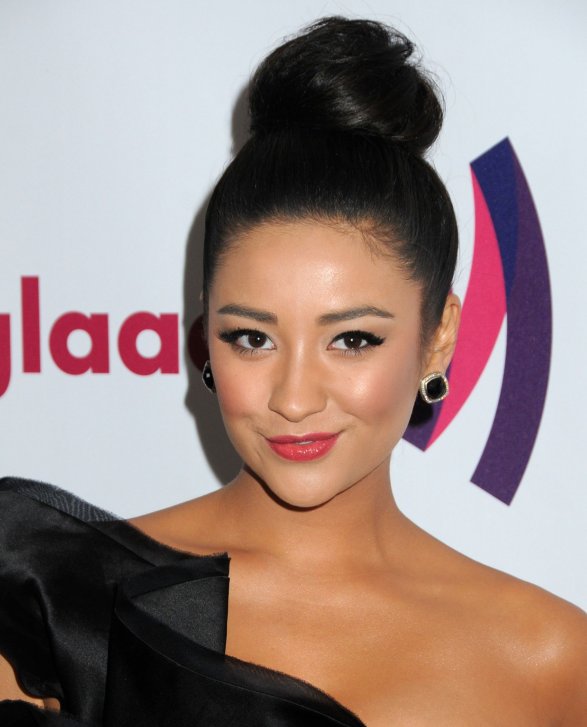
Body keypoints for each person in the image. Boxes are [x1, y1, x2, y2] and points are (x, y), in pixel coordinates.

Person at [1, 16, 585, 727]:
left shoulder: (549, 658)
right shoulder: (64, 609)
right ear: (207, 339)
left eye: (352, 339)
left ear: (438, 340)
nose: (295, 397)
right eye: (252, 337)